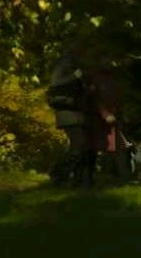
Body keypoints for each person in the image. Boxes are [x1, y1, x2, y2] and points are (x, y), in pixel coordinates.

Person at [46, 51, 93, 186]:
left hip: (77, 113)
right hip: (67, 113)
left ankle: (78, 180)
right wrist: (74, 76)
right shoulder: (63, 66)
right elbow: (54, 83)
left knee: (80, 146)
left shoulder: (75, 69)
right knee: (79, 145)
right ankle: (58, 172)